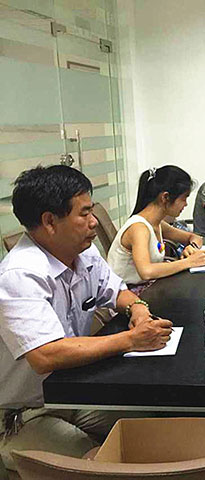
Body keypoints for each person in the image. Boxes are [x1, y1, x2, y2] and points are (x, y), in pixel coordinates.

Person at [0, 165, 172, 473]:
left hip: (74, 393)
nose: (94, 222)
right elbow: (45, 355)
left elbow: (117, 292)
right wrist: (131, 340)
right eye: (85, 213)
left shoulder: (83, 253)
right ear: (49, 222)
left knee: (151, 430)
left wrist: (139, 309)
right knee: (101, 467)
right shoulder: (20, 275)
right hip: (25, 413)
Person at [108, 166, 205, 291]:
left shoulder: (157, 224)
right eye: (184, 198)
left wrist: (192, 248)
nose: (186, 204)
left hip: (149, 287)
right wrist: (189, 262)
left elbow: (194, 237)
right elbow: (146, 272)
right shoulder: (139, 229)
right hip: (127, 294)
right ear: (165, 197)